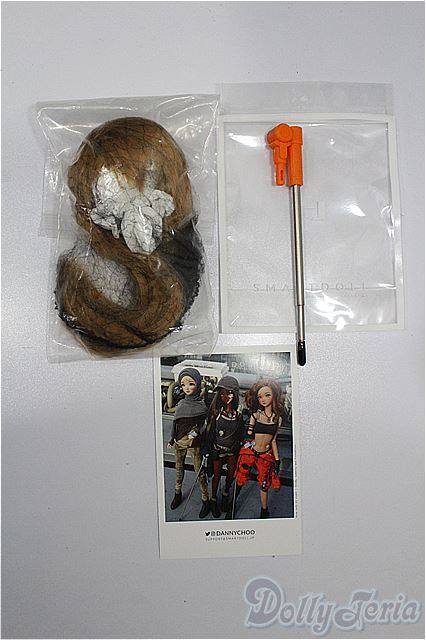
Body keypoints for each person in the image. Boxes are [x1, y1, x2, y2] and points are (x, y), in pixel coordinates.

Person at [233, 379, 284, 519]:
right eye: (260, 397)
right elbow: (248, 435)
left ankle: (264, 510)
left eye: (267, 395)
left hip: (265, 455)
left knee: (264, 484)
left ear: (274, 395)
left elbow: (273, 440)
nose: (263, 399)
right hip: (251, 451)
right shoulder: (255, 416)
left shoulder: (277, 419)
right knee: (240, 479)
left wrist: (277, 460)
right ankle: (232, 504)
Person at [168, 367, 210, 518]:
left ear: (197, 384)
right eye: (183, 384)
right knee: (179, 468)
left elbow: (204, 425)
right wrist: (172, 438)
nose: (187, 388)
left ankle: (205, 499)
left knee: (200, 472)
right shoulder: (181, 404)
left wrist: (197, 433)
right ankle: (177, 492)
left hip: (195, 443)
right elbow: (175, 423)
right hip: (179, 442)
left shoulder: (202, 406)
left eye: (191, 384)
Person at [204, 376, 245, 518]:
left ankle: (226, 494)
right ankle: (213, 499)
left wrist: (240, 445)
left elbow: (240, 433)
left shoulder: (238, 415)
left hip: (232, 451)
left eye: (229, 393)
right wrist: (207, 450)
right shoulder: (216, 413)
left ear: (235, 394)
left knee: (230, 475)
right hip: (217, 449)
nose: (225, 396)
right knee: (216, 475)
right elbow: (209, 432)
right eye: (222, 393)